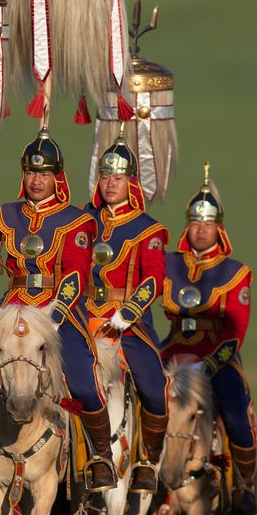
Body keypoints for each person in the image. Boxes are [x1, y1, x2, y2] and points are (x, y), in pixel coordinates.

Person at [0, 126, 107, 493]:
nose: (36, 180)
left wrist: (52, 317)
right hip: (12, 311)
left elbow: (77, 275)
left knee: (83, 379)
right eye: (31, 173)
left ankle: (100, 457)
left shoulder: (76, 220)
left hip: (56, 314)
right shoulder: (9, 214)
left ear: (57, 177)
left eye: (44, 174)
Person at [160, 165, 257, 515]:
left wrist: (208, 365)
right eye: (195, 223)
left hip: (216, 358)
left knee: (234, 412)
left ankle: (244, 485)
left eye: (208, 224)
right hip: (172, 352)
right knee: (137, 390)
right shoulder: (167, 263)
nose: (201, 231)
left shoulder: (236, 273)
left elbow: (235, 332)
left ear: (219, 227)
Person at [86, 137, 170, 495]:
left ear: (131, 183)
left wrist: (128, 313)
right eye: (105, 175)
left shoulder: (147, 230)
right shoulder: (82, 219)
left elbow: (154, 280)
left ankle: (148, 462)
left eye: (117, 178)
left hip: (126, 323)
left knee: (154, 388)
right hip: (84, 314)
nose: (109, 183)